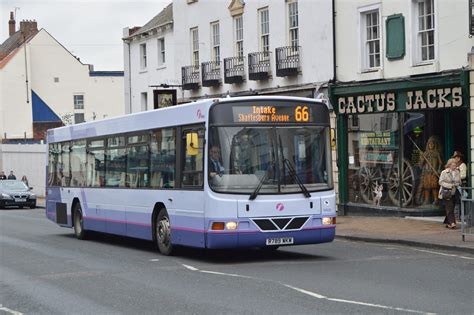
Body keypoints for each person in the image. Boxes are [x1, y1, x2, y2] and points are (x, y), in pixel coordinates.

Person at [438, 158, 461, 229]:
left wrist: (456, 184)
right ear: (449, 165)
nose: (454, 167)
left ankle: (448, 222)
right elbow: (440, 182)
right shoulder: (444, 172)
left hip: (454, 192)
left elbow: (459, 182)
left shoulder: (457, 172)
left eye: (455, 165)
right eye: (453, 165)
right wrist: (450, 185)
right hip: (446, 192)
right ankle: (452, 223)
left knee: (452, 207)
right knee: (449, 207)